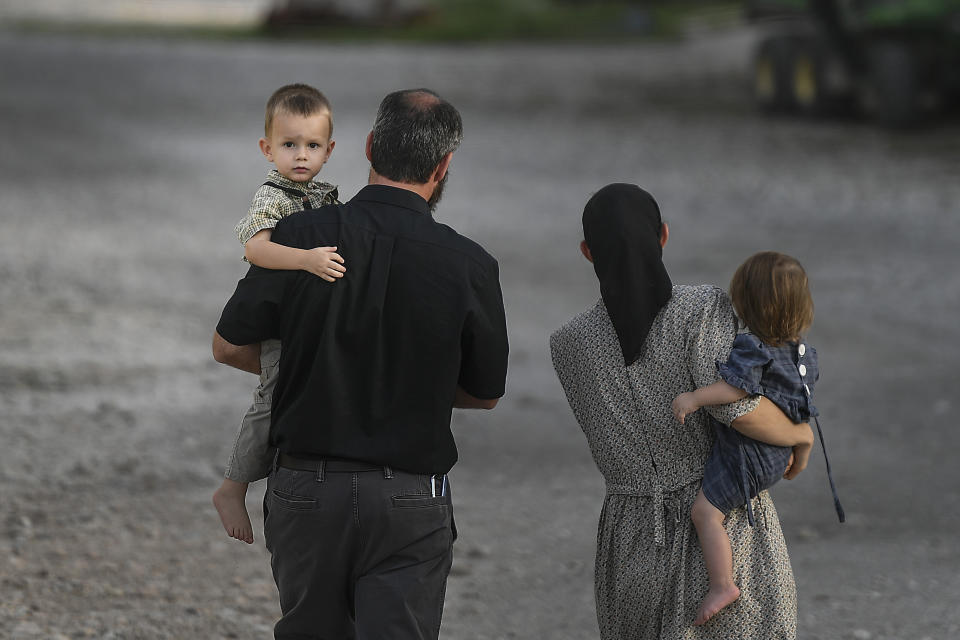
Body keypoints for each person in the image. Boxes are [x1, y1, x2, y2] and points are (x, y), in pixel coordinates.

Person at [212, 88, 509, 640]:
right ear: (443, 166)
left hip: (305, 489)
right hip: (410, 500)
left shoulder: (298, 238)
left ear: (369, 147)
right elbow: (486, 392)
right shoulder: (471, 265)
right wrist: (401, 379)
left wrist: (321, 366)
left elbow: (227, 346)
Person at [550, 183, 814, 639]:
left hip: (629, 537)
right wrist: (800, 436)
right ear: (664, 237)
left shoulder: (569, 345)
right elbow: (742, 411)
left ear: (588, 253)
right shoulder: (704, 309)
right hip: (724, 525)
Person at [671, 251, 844, 625]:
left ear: (745, 304)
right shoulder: (804, 354)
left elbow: (736, 392)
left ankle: (722, 585)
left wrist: (695, 398)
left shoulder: (753, 348)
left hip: (752, 454)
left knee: (705, 513)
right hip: (779, 452)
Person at [213, 83, 346, 545]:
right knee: (272, 398)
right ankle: (233, 486)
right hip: (278, 321)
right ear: (267, 149)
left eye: (312, 145)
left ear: (329, 151)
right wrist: (307, 258)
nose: (301, 155)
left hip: (308, 318)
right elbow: (257, 248)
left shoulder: (328, 195)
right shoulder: (272, 194)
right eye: (289, 145)